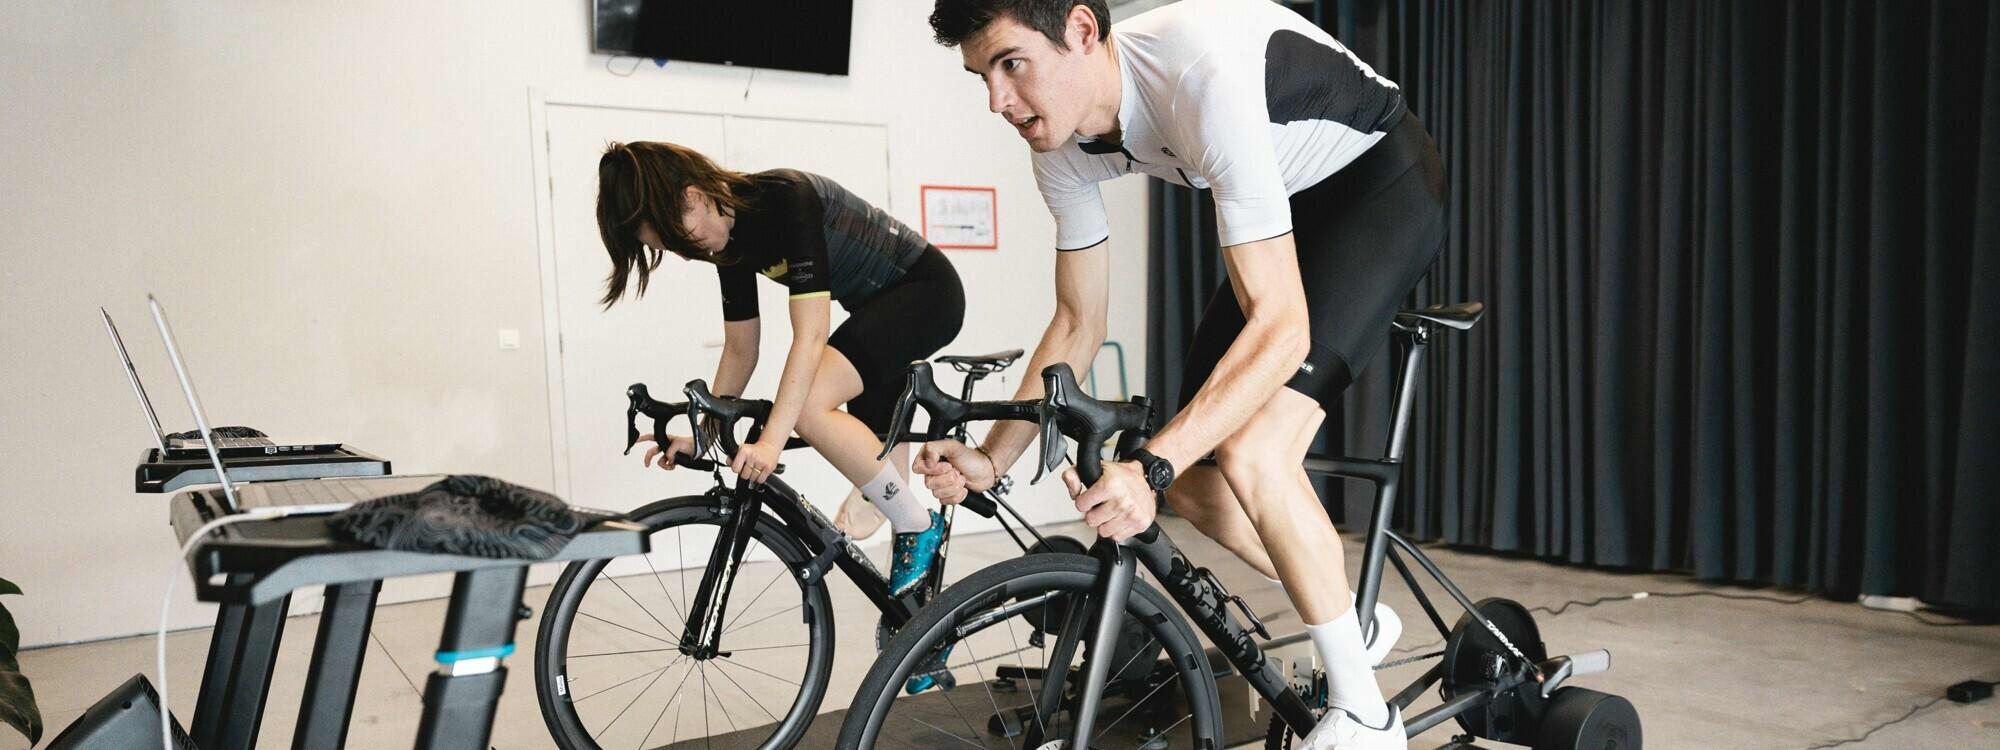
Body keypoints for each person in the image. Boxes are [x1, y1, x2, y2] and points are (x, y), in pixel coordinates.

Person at [918, 1, 1448, 746]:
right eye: (982, 77)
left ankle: (1366, 715)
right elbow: (1077, 322)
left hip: (1378, 182)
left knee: (1251, 452)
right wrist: (993, 457)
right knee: (1198, 484)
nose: (997, 102)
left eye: (1011, 65)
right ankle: (1352, 617)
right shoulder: (1058, 145)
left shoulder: (1198, 77)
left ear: (1079, 30)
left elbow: (1282, 328)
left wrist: (1150, 468)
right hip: (1286, 196)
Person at [596, 141, 965, 600]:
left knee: (809, 409)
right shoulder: (725, 245)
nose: (688, 255)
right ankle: (921, 636)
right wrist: (705, 435)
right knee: (880, 489)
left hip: (926, 293)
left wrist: (771, 441)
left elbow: (809, 335)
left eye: (679, 238)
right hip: (874, 314)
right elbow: (740, 350)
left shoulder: (785, 198)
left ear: (692, 194)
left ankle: (919, 526)